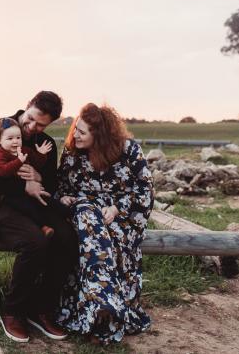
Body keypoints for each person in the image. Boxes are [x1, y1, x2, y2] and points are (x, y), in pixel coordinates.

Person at [0, 91, 78, 343]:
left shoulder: (46, 144)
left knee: (68, 239)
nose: (31, 128)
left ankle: (41, 309)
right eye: (29, 120)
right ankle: (13, 311)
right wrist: (22, 186)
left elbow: (50, 182)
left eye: (40, 125)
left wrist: (38, 179)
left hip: (35, 207)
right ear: (26, 107)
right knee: (35, 242)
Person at [56, 103, 154, 345]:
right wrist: (64, 197)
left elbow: (145, 190)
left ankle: (101, 309)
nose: (75, 135)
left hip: (120, 216)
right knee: (87, 214)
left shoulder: (129, 150)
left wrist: (117, 208)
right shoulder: (71, 153)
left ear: (99, 136)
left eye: (82, 132)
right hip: (83, 213)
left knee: (109, 236)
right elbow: (61, 186)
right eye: (75, 129)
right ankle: (104, 304)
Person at [0, 117, 55, 237]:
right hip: (13, 193)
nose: (15, 141)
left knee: (49, 202)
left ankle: (67, 215)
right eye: (10, 138)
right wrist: (19, 161)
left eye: (18, 138)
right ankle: (43, 227)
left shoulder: (24, 150)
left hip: (33, 187)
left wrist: (41, 154)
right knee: (28, 207)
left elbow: (37, 163)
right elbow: (2, 171)